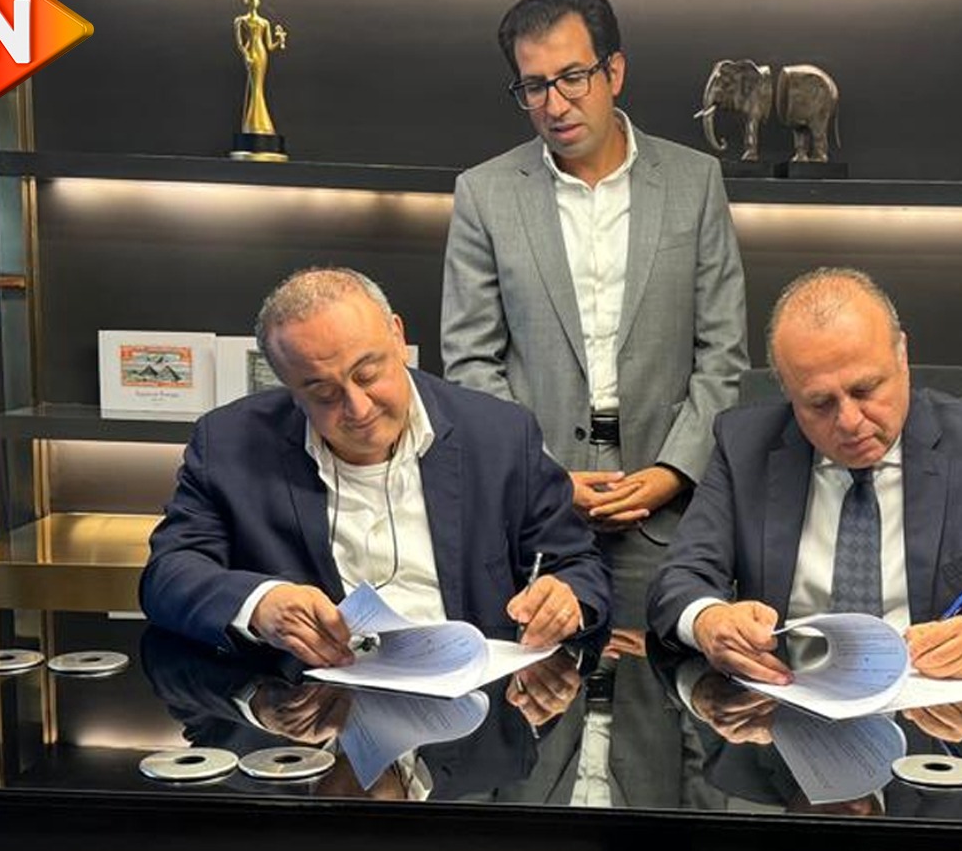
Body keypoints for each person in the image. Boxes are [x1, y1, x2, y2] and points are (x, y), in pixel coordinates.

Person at [647, 268, 962, 680]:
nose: (849, 421)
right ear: (788, 392)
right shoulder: (745, 444)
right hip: (784, 713)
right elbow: (679, 581)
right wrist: (708, 620)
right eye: (819, 403)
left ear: (902, 356)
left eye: (865, 389)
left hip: (936, 726)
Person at [442, 0, 749, 625]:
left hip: (664, 507)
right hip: (533, 508)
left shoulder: (694, 182)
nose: (555, 104)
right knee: (536, 679)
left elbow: (723, 352)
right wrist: (544, 476)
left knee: (662, 675)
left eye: (573, 77)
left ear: (615, 71)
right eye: (534, 86)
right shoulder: (484, 194)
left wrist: (673, 471)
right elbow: (470, 363)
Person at [140, 268, 610, 664]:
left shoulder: (499, 433)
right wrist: (260, 605)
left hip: (475, 710)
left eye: (368, 374)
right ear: (288, 386)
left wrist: (565, 596)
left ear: (398, 337)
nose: (358, 408)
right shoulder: (228, 444)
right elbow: (168, 576)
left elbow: (576, 564)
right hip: (310, 711)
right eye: (323, 393)